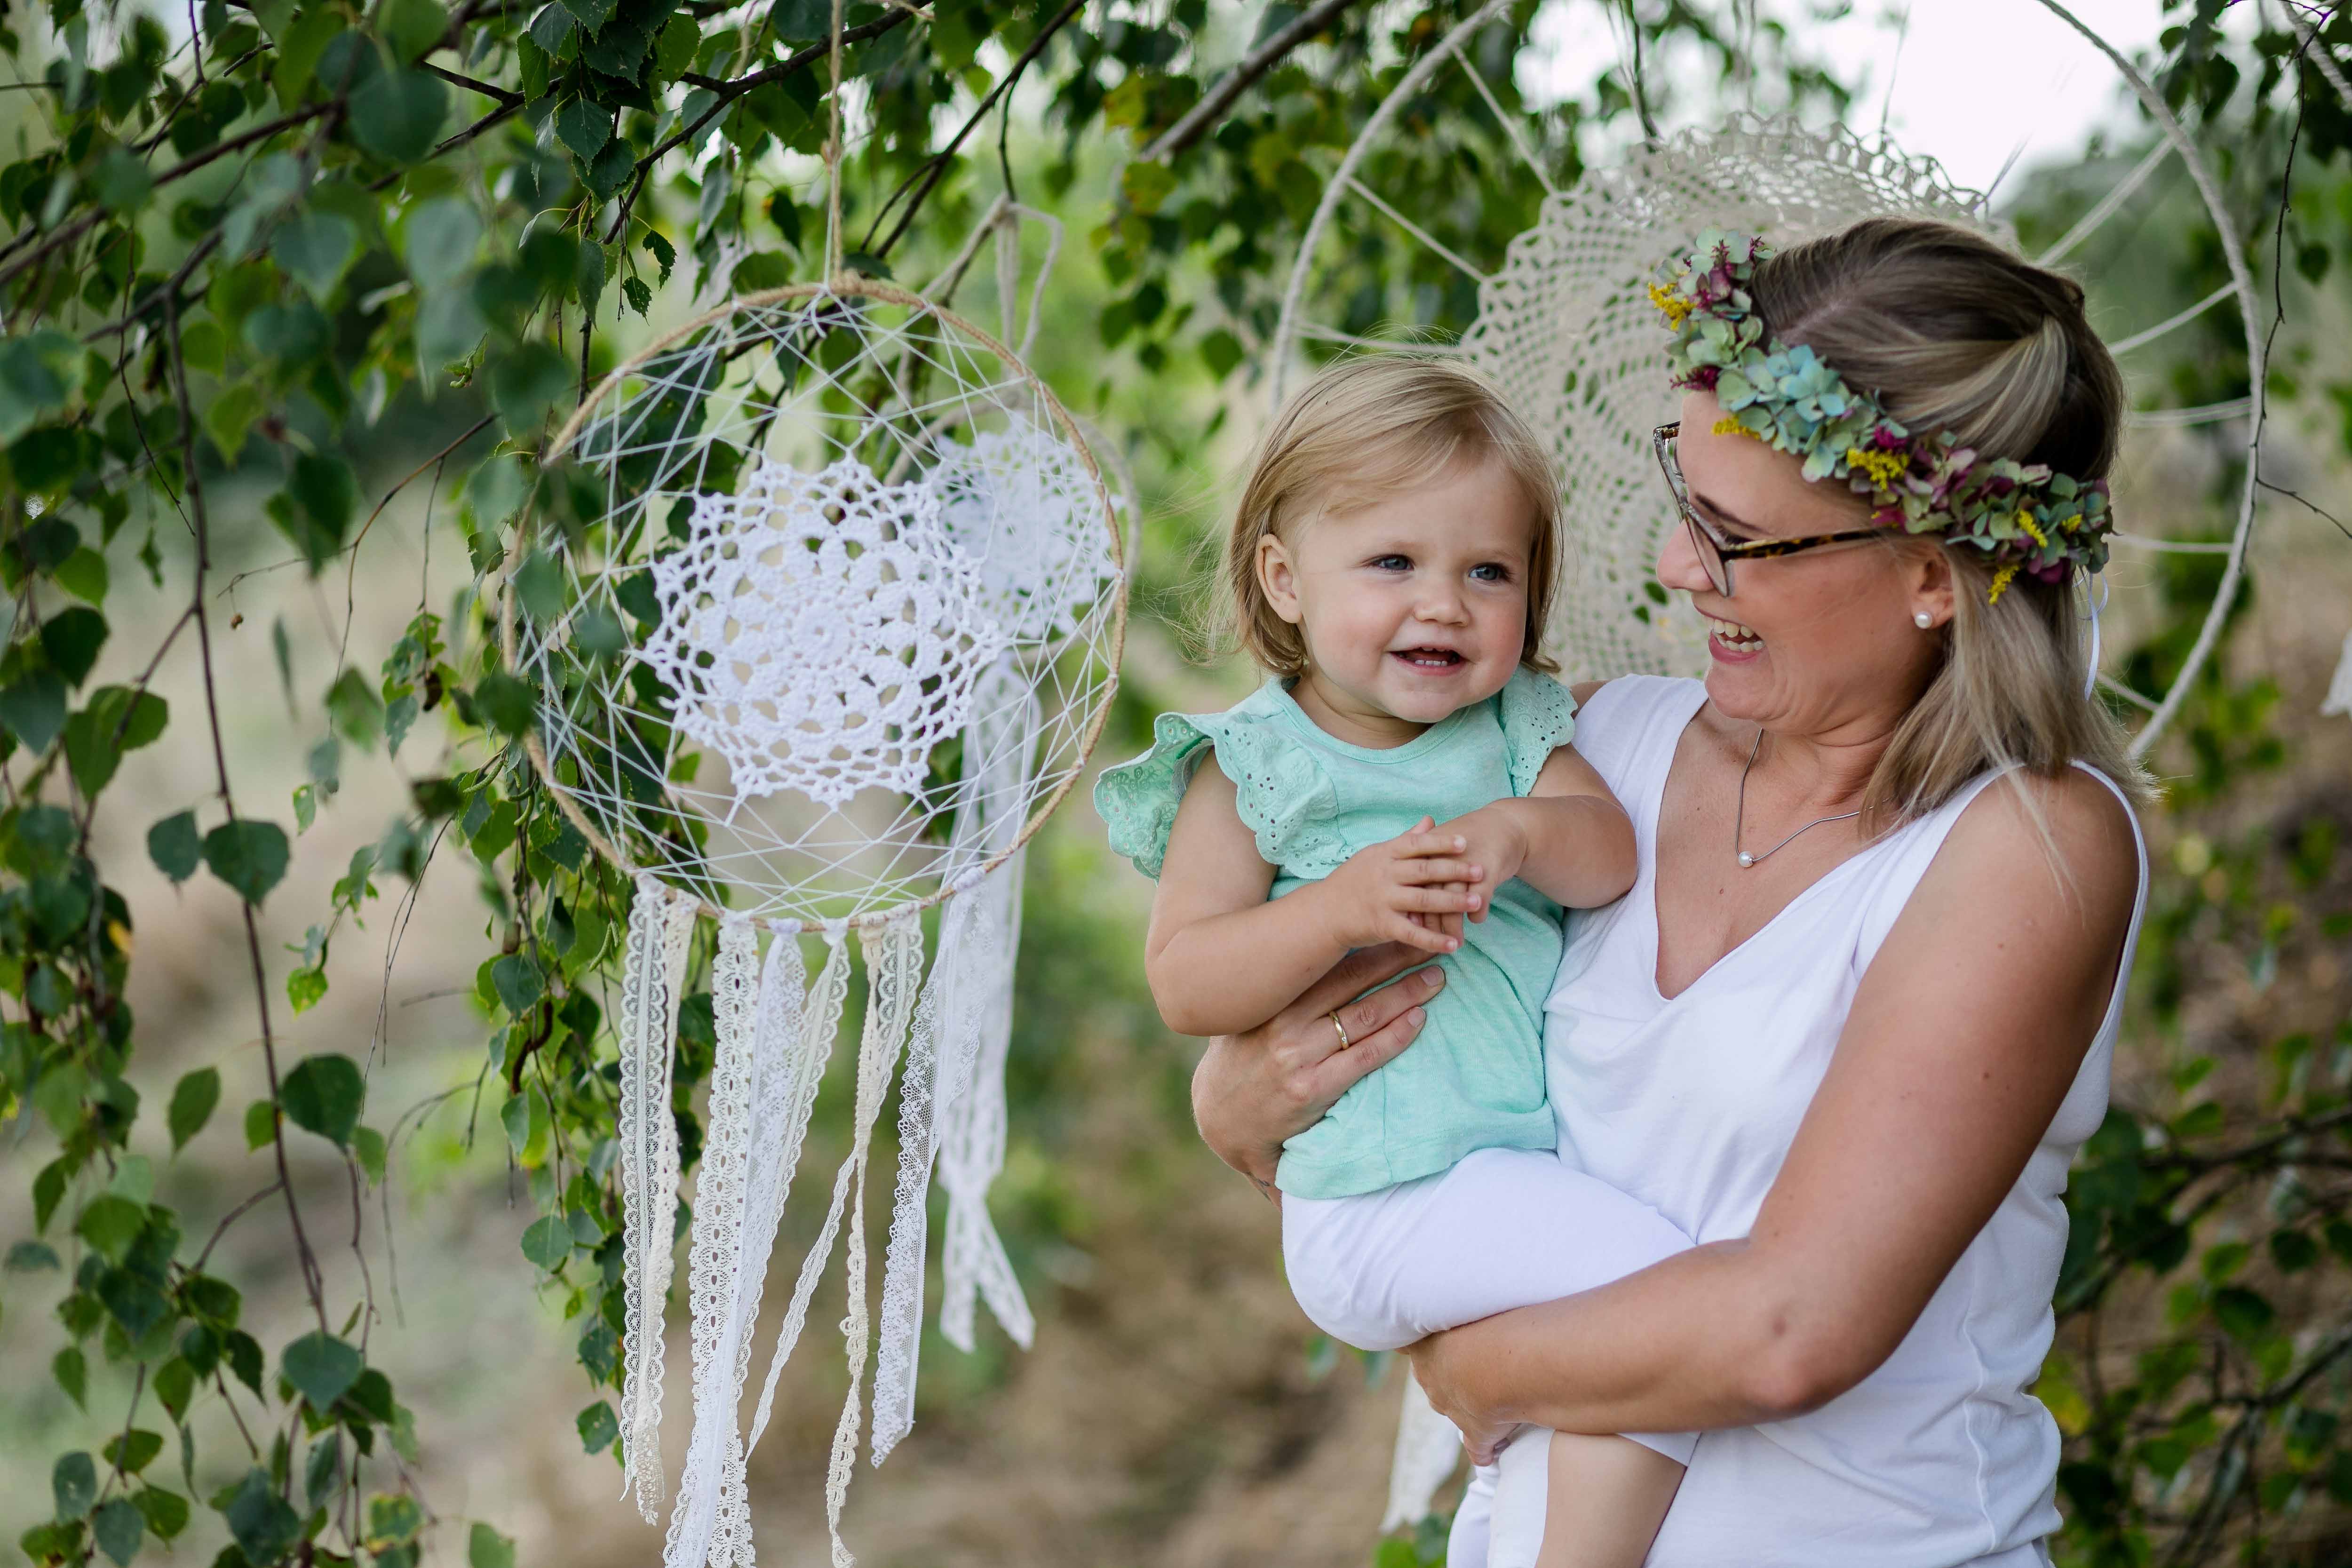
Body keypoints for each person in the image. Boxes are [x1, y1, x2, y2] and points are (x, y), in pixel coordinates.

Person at [1183, 218, 2151, 1568]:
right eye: (1682, 498)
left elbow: (1786, 1328)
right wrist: (1238, 1092)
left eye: (1739, 538)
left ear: (1934, 573)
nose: (1676, 568)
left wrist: (1484, 1371)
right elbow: (1403, 1109)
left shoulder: (2029, 846)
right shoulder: (1585, 753)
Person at [1092, 357, 1707, 1568]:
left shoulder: (1516, 729)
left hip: (1492, 1175)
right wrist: (1333, 911)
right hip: (1380, 1191)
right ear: (1284, 578)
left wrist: (1523, 829)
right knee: (1664, 1301)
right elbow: (1186, 981)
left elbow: (1610, 858)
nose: (1444, 603)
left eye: (1488, 571)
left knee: (1561, 1407)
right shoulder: (1254, 766)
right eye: (1393, 563)